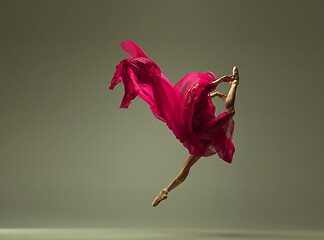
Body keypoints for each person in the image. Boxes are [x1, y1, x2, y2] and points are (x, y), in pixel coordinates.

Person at [109, 41, 239, 207]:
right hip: (205, 131)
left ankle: (165, 191)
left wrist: (218, 85)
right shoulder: (200, 99)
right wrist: (227, 82)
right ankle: (236, 82)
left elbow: (203, 91)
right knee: (230, 112)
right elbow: (206, 93)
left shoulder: (198, 99)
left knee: (184, 170)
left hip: (199, 133)